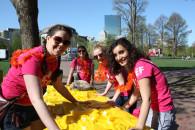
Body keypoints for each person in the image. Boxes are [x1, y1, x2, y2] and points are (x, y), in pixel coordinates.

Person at [1, 24, 82, 130]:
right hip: (14, 109)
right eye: (58, 39)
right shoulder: (33, 59)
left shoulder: (54, 59)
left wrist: (76, 102)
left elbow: (58, 85)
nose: (61, 44)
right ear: (47, 39)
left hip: (30, 106)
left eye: (66, 42)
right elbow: (37, 100)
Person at [107, 37, 176, 130]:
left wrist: (139, 127)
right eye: (115, 55)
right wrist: (122, 108)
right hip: (154, 109)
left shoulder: (140, 66)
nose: (118, 57)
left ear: (130, 50)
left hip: (163, 111)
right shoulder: (135, 67)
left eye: (121, 52)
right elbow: (135, 94)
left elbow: (146, 99)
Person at [93, 43, 136, 113]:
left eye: (100, 54)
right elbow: (111, 79)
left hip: (128, 94)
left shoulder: (113, 65)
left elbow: (122, 82)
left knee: (127, 115)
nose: (98, 58)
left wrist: (114, 98)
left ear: (106, 53)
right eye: (95, 57)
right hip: (120, 93)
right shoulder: (105, 65)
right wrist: (105, 92)